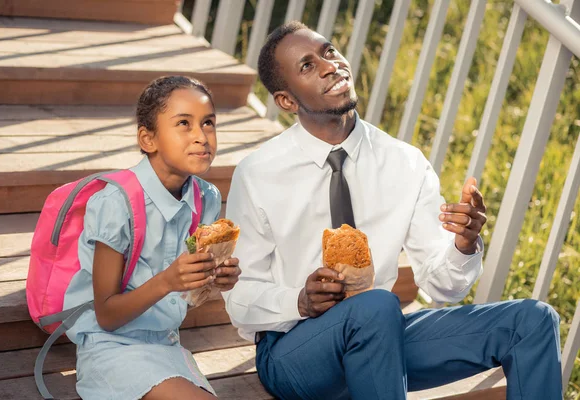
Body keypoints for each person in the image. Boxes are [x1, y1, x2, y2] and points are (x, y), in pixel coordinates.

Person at [222, 22, 562, 400]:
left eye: (329, 51)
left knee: (532, 321)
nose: (329, 65)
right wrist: (299, 300)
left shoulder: (405, 162)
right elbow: (240, 299)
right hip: (294, 350)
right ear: (286, 101)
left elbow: (441, 286)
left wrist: (464, 244)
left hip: (380, 337)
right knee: (377, 305)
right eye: (307, 66)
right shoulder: (258, 174)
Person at [63, 76, 241, 400]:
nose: (201, 137)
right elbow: (106, 315)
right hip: (112, 349)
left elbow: (194, 292)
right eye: (184, 124)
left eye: (208, 123)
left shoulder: (207, 198)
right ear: (148, 139)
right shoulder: (115, 204)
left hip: (168, 345)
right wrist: (168, 280)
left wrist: (217, 279)